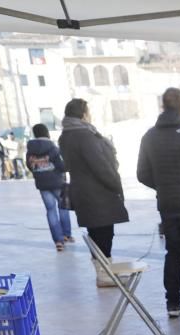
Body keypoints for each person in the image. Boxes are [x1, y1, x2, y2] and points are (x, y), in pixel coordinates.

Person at [137, 87, 180, 319]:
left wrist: (163, 187)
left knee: (172, 253)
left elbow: (142, 173)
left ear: (163, 106)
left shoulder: (149, 136)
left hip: (166, 203)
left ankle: (172, 304)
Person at [59, 97, 130, 288]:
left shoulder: (66, 135)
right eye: (88, 111)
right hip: (97, 193)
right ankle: (105, 275)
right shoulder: (84, 135)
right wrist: (115, 183)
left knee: (96, 233)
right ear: (83, 114)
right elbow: (100, 166)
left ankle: (103, 273)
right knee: (104, 233)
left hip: (83, 192)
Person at [25, 123, 73, 251]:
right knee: (63, 207)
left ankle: (58, 241)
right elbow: (61, 166)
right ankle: (67, 235)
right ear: (46, 132)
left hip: (42, 184)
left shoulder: (30, 150)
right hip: (58, 182)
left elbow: (30, 166)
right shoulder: (53, 147)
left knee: (50, 210)